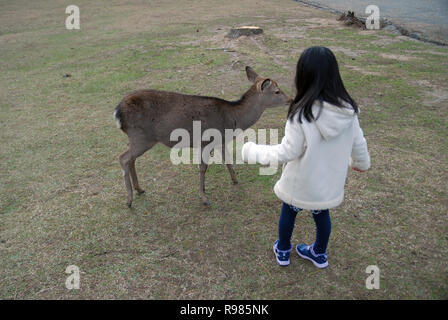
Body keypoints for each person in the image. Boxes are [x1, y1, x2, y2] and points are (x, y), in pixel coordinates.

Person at [241, 46, 371, 268]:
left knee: (289, 211)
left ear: (302, 76)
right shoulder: (348, 111)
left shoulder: (301, 113)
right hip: (326, 183)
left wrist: (251, 151)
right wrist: (361, 162)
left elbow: (286, 152)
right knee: (321, 214)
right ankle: (319, 253)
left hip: (300, 182)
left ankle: (283, 250)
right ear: (334, 75)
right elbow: (358, 141)